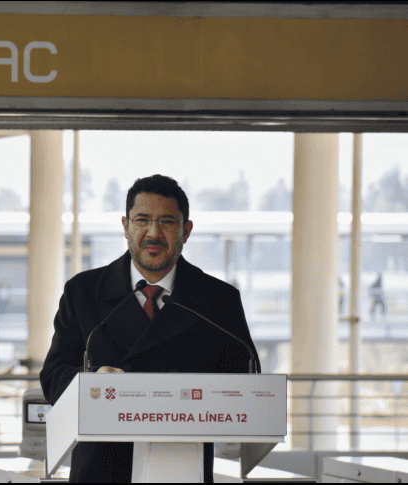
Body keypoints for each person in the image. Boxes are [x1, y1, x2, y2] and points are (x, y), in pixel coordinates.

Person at [40, 175, 260, 483]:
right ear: (125, 226)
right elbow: (53, 375)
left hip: (184, 468)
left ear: (186, 230)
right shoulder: (84, 292)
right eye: (142, 220)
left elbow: (247, 382)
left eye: (167, 222)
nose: (153, 233)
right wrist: (91, 383)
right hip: (99, 472)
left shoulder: (218, 300)